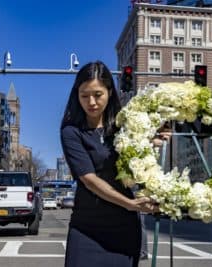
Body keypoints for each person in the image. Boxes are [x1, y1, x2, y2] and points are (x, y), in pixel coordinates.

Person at [61, 61, 167, 267]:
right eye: (84, 95)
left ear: (109, 92)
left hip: (125, 228)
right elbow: (89, 179)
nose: (91, 102)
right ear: (77, 95)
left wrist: (153, 140)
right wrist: (130, 204)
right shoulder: (71, 131)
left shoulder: (127, 126)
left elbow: (142, 161)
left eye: (97, 94)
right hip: (87, 228)